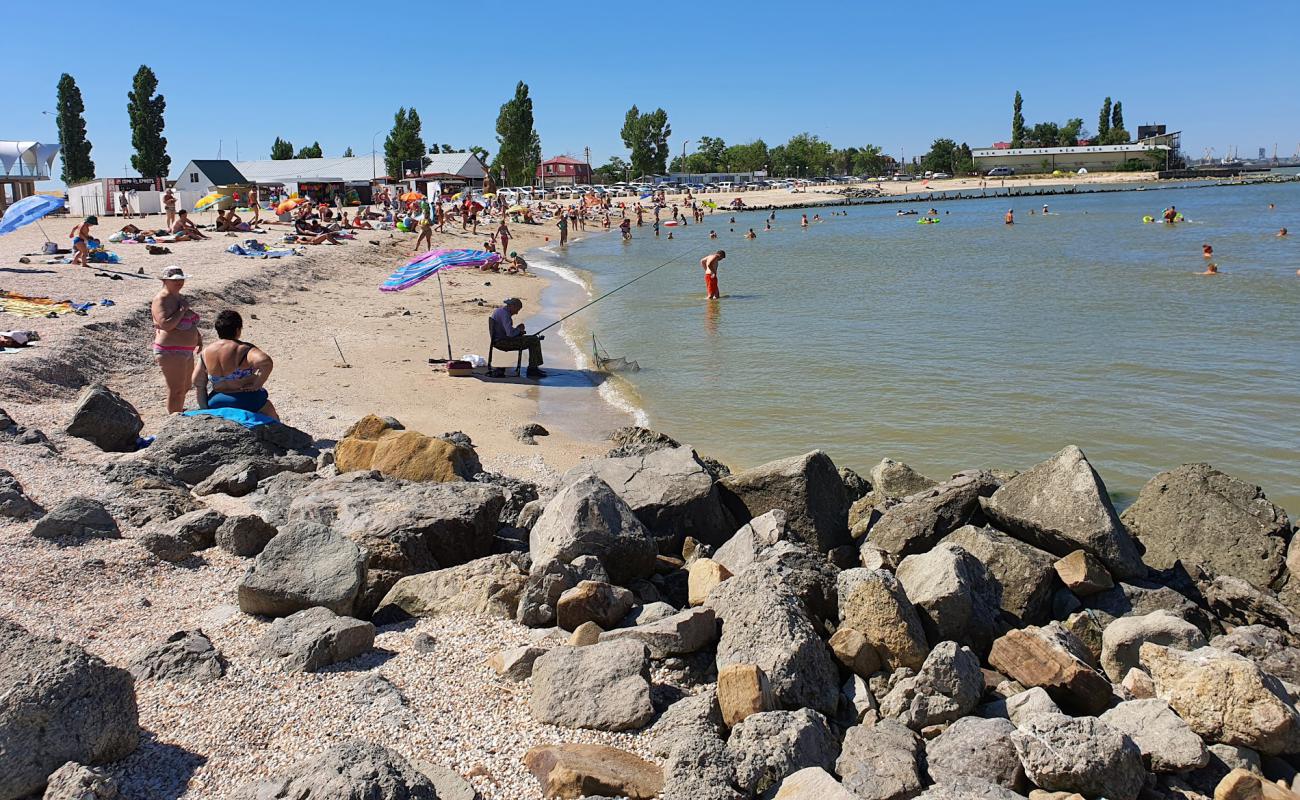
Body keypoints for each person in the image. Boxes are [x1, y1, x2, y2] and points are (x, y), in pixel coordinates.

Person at [193, 309, 278, 419]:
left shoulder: (206, 352)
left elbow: (198, 383)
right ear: (238, 330)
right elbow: (266, 362)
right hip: (247, 400)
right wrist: (258, 383)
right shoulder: (244, 349)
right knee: (273, 416)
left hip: (217, 401)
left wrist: (205, 410)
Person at [152, 266, 202, 413]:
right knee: (177, 390)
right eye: (175, 280)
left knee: (186, 386)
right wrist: (182, 310)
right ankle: (174, 418)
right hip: (171, 350)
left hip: (185, 350)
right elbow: (166, 325)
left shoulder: (179, 297)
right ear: (164, 281)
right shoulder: (161, 299)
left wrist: (197, 337)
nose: (179, 282)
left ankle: (177, 411)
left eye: (181, 279)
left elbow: (189, 323)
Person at [489, 298, 546, 378]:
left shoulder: (499, 310)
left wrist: (518, 331)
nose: (517, 313)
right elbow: (510, 333)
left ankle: (534, 368)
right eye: (517, 310)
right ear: (512, 306)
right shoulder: (505, 315)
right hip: (503, 343)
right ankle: (532, 369)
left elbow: (507, 331)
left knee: (532, 338)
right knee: (534, 340)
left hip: (498, 340)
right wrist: (519, 329)